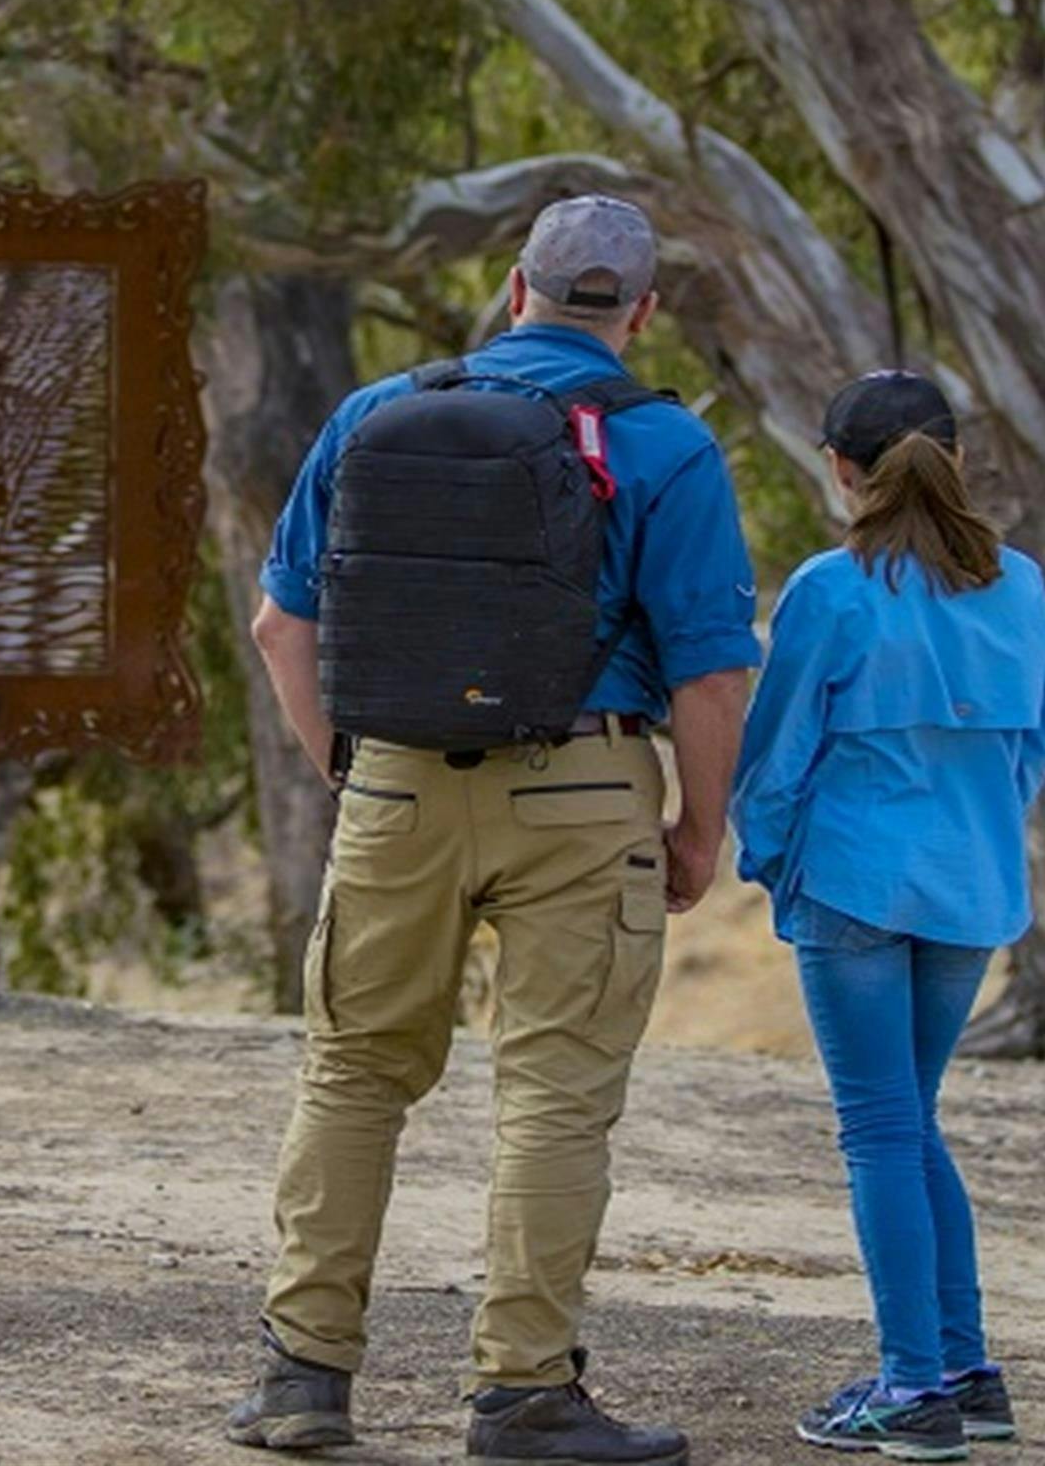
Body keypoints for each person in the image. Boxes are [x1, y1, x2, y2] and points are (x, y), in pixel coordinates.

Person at [227, 195, 759, 1464]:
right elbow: (711, 678)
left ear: (511, 287)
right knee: (556, 1098)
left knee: (354, 1074)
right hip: (584, 791)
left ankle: (303, 1377)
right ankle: (521, 1393)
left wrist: (352, 772)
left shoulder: (374, 415)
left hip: (398, 783)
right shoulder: (666, 448)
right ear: (637, 313)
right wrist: (695, 832)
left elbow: (277, 627)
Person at [732, 371, 1038, 1462]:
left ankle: (913, 1389)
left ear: (838, 468)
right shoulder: (1023, 588)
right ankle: (964, 1370)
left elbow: (773, 756)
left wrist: (768, 864)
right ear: (952, 458)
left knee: (878, 1130)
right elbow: (1025, 755)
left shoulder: (829, 586)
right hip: (970, 889)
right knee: (908, 1121)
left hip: (854, 884)